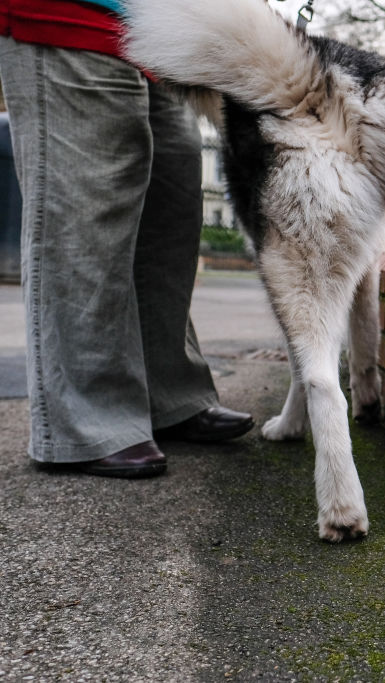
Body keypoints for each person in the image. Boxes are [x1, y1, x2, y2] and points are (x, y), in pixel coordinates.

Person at [0, 0, 254, 478]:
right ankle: (89, 421)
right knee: (85, 214)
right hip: (69, 16)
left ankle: (169, 396)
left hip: (157, 34)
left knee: (173, 212)